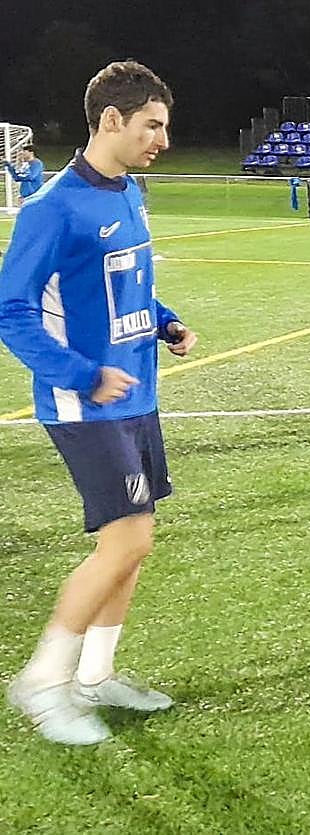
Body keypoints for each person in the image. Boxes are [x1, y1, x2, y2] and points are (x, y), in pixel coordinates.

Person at [0, 61, 196, 746]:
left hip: (137, 394)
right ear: (111, 120)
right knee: (128, 539)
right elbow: (12, 310)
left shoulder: (129, 191)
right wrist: (82, 374)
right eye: (153, 125)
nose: (163, 139)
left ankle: (95, 675)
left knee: (133, 547)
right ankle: (43, 681)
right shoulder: (53, 208)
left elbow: (130, 284)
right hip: (85, 402)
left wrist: (166, 320)